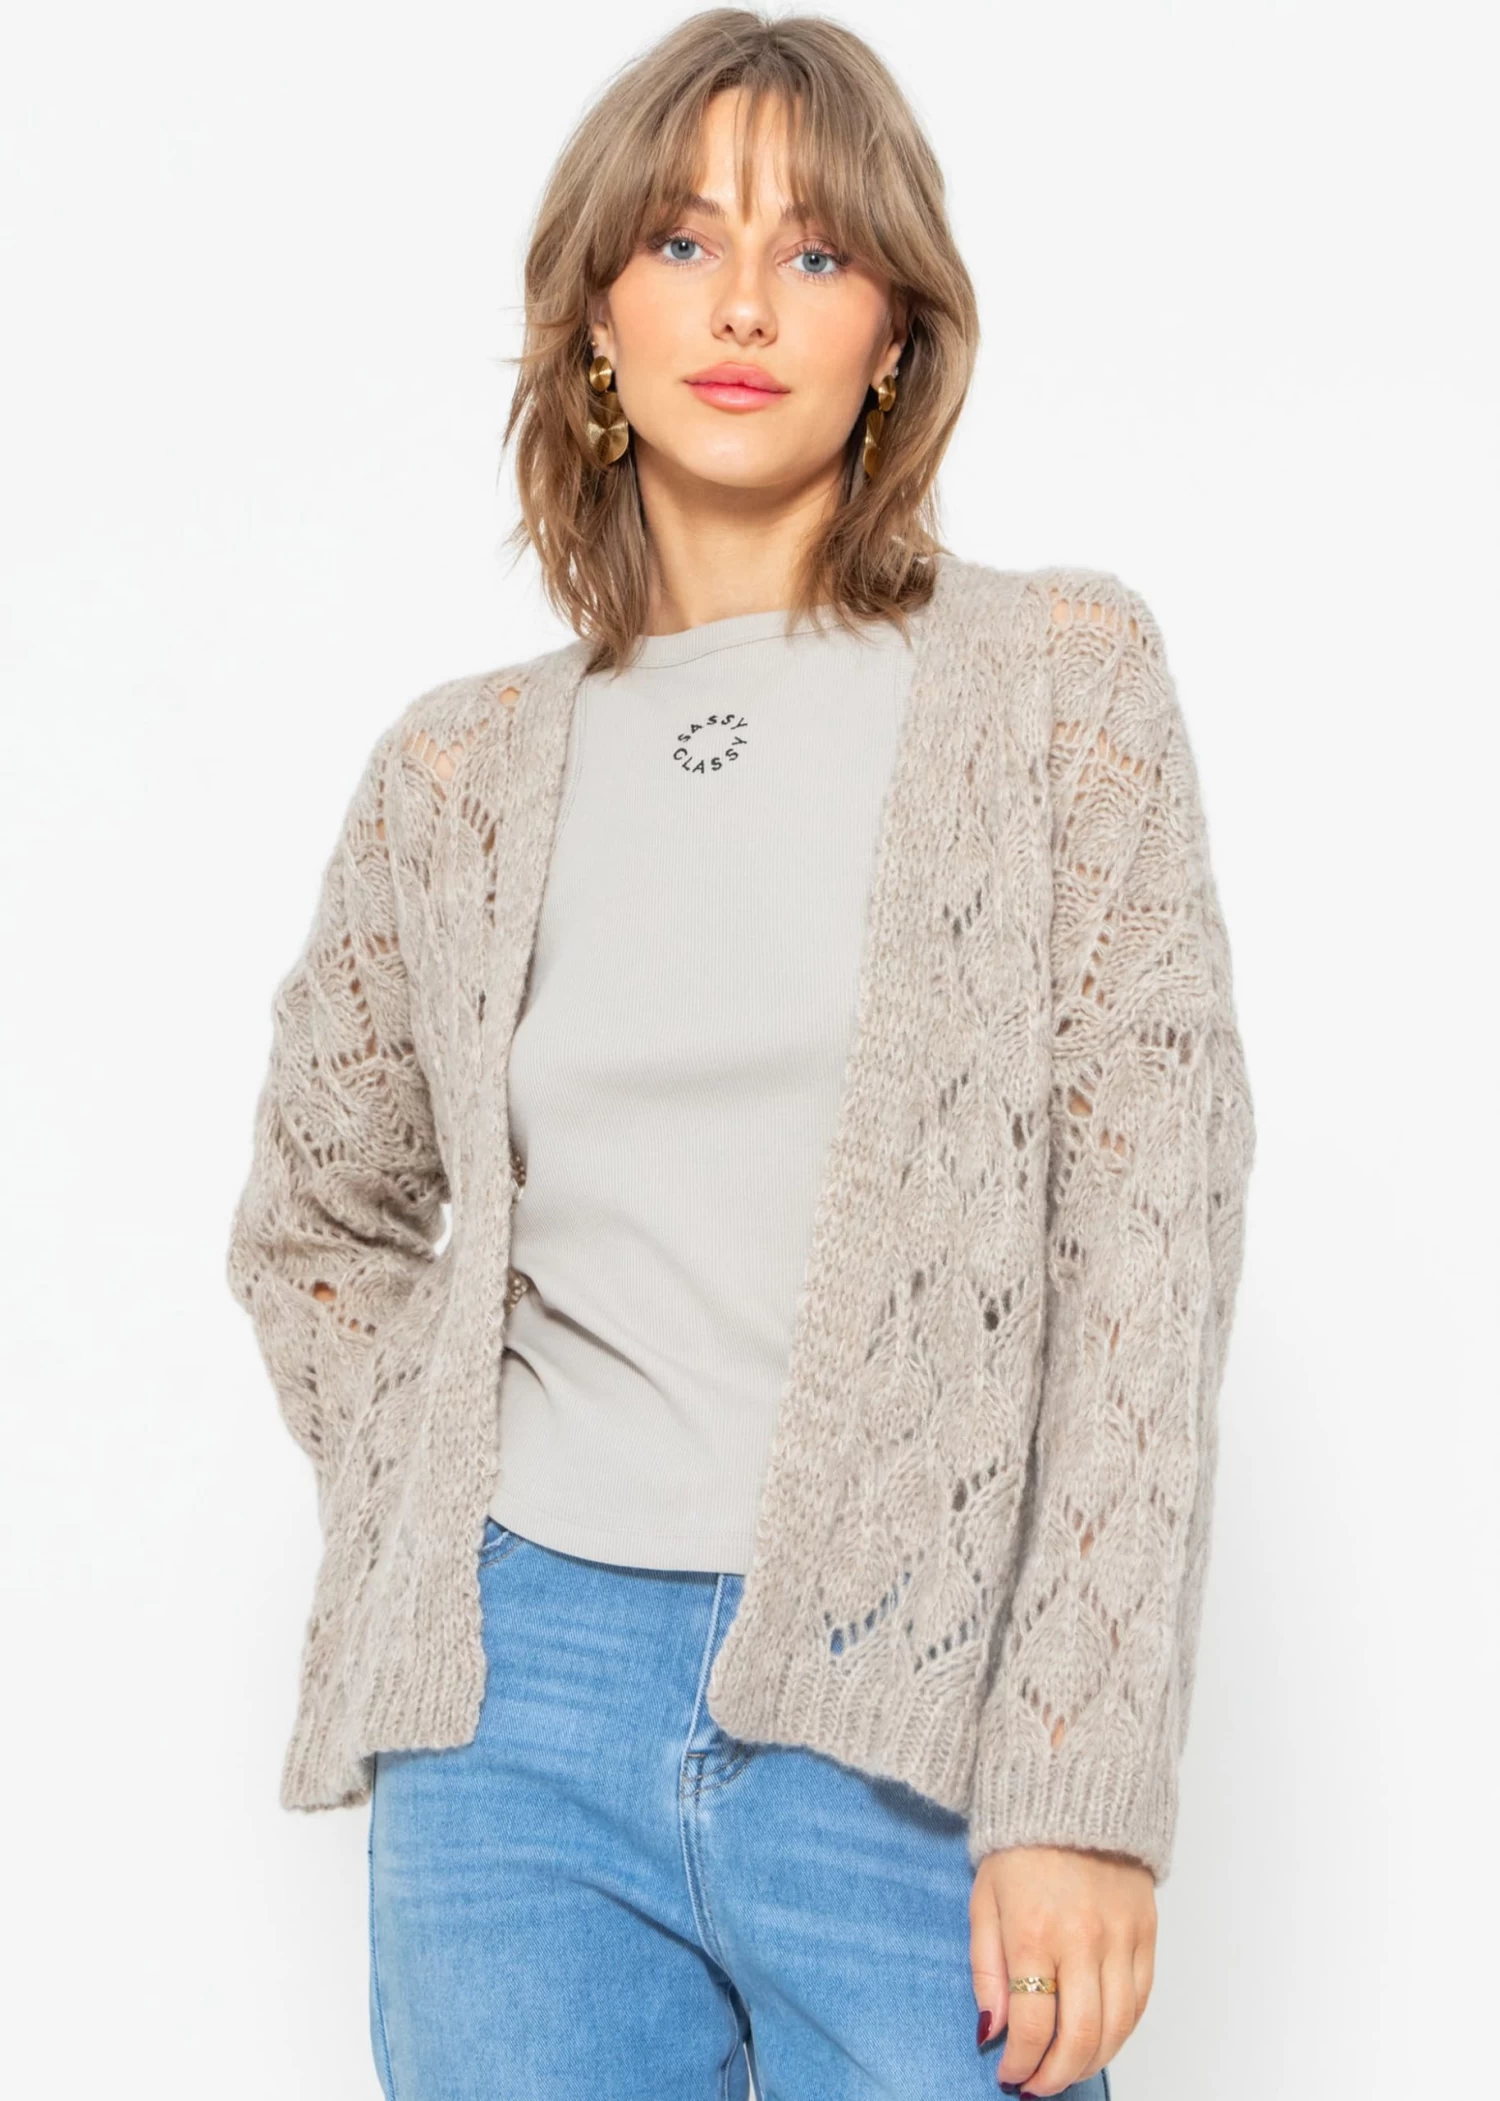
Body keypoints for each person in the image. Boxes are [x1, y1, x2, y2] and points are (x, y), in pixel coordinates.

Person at [225, 13, 1256, 2100]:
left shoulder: (1060, 687)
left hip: (911, 1720)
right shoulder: (455, 774)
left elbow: (1148, 1247)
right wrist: (439, 1507)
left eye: (816, 251)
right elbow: (317, 1215)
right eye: (686, 243)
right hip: (514, 1734)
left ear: (897, 335)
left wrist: (1081, 1775)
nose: (746, 305)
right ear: (597, 318)